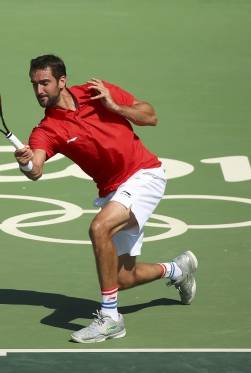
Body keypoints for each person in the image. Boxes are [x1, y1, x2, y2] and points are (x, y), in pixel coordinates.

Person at [14, 54, 198, 343]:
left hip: (144, 174)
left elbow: (150, 116)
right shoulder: (46, 130)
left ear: (63, 81)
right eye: (34, 84)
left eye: (45, 83)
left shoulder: (95, 92)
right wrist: (26, 162)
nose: (39, 91)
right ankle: (177, 269)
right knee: (121, 278)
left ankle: (111, 319)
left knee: (99, 228)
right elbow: (36, 169)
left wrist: (115, 106)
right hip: (112, 191)